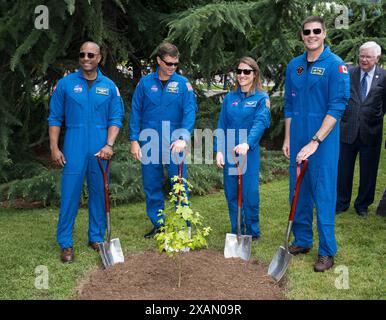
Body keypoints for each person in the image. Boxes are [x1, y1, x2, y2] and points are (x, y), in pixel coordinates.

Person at [282, 16, 350, 272]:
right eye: (307, 31)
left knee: (322, 193)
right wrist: (288, 138)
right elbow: (289, 104)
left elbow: (338, 106)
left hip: (323, 143)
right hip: (297, 137)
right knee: (298, 192)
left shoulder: (336, 65)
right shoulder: (294, 66)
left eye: (316, 31)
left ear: (324, 33)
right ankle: (302, 240)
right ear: (301, 35)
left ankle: (326, 251)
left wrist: (316, 140)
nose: (312, 35)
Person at [48, 41, 124, 263]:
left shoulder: (109, 86)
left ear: (99, 58)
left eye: (91, 55)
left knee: (99, 193)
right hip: (74, 144)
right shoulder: (65, 84)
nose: (86, 58)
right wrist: (54, 147)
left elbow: (115, 118)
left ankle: (96, 238)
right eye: (82, 54)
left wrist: (109, 144)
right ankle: (66, 243)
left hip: (100, 147)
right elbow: (55, 117)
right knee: (70, 194)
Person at [129, 42, 197, 238]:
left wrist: (184, 137)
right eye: (168, 63)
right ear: (159, 61)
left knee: (179, 184)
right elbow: (136, 111)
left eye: (175, 64)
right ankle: (159, 225)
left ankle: (183, 227)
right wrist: (134, 140)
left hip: (175, 142)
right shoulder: (145, 83)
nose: (172, 68)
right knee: (151, 184)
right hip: (149, 141)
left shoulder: (184, 84)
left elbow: (190, 112)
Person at [215, 56, 270, 240]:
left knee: (250, 193)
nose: (242, 75)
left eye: (247, 71)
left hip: (249, 151)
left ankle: (252, 231)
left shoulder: (261, 98)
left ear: (255, 74)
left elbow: (261, 122)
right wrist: (219, 150)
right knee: (231, 193)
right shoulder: (230, 98)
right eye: (239, 71)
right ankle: (236, 227)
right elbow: (221, 125)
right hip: (230, 150)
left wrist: (248, 143)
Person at [336, 41, 386, 217]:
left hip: (371, 132)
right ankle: (341, 203)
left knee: (369, 172)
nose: (364, 60)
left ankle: (362, 205)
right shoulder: (349, 74)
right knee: (343, 170)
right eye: (362, 56)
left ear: (377, 58)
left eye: (368, 57)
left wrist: (375, 117)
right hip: (347, 130)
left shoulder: (384, 76)